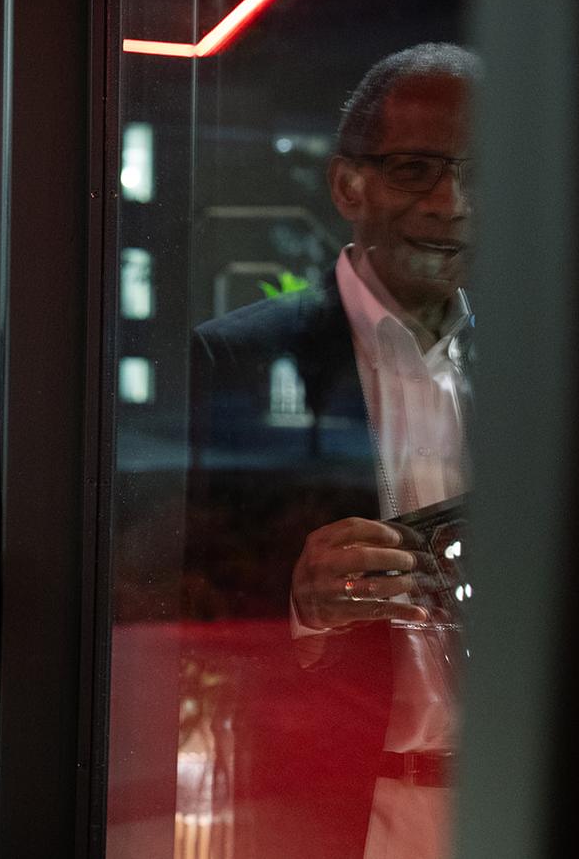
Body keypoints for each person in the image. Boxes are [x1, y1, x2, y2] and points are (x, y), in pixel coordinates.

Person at [187, 43, 477, 858]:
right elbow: (160, 596)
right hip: (330, 809)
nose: (453, 202)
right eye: (418, 168)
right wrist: (296, 603)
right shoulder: (231, 361)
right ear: (348, 185)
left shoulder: (547, 366)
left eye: (476, 171)